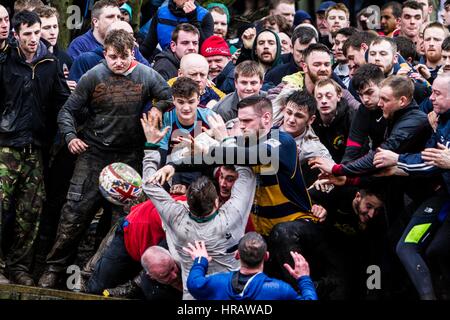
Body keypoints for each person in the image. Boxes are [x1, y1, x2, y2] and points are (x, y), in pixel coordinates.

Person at [38, 29, 172, 288]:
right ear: (105, 54)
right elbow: (67, 111)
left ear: (132, 53)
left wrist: (156, 107)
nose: (119, 62)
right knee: (74, 214)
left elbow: (167, 95)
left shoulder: (146, 75)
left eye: (123, 57)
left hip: (129, 156)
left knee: (122, 222)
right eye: (113, 57)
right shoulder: (94, 76)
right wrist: (70, 137)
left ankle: (97, 276)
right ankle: (53, 268)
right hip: (93, 152)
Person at [139, 110, 257, 300]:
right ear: (217, 202)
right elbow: (246, 171)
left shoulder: (175, 215)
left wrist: (152, 146)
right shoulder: (232, 214)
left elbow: (149, 183)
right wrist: (225, 140)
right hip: (231, 296)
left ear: (186, 203)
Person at [0, 10, 70, 285]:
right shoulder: (5, 62)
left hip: (36, 148)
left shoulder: (51, 63)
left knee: (29, 212)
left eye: (36, 32)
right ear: (15, 35)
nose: (32, 38)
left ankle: (19, 267)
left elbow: (63, 101)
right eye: (26, 33)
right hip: (6, 146)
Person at [373, 73, 450, 300]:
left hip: (440, 198)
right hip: (441, 199)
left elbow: (434, 163)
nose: (431, 98)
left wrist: (397, 160)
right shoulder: (441, 121)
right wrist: (399, 165)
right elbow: (429, 160)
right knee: (420, 248)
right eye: (432, 91)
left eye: (437, 94)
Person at [184, 233, 318, 300]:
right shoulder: (279, 290)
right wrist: (304, 279)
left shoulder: (217, 283)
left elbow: (194, 283)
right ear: (266, 256)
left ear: (237, 255)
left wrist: (200, 261)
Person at [69, 20, 150, 83]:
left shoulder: (136, 55)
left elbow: (153, 85)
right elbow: (75, 95)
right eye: (123, 36)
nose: (131, 40)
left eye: (131, 36)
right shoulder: (85, 60)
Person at [140, 0, 213, 61]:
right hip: (166, 61)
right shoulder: (161, 13)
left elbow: (207, 50)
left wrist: (193, 18)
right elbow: (148, 47)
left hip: (194, 63)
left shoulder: (205, 15)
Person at [312, 78, 354, 163]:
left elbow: (357, 151)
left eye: (328, 96)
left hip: (346, 167)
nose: (323, 101)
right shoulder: (311, 119)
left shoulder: (351, 117)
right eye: (319, 97)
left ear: (338, 96)